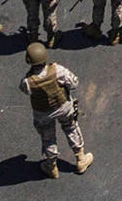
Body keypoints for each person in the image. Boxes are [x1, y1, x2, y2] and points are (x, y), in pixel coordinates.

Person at [19, 43, 93, 178]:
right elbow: (74, 83)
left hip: (43, 113)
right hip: (63, 106)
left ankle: (51, 166)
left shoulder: (27, 81)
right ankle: (81, 159)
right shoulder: (57, 70)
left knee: (48, 138)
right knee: (71, 128)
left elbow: (24, 90)